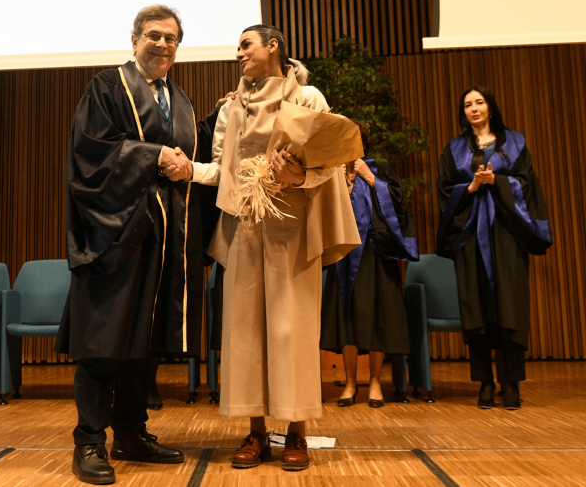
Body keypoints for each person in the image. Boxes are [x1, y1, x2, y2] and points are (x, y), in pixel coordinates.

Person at [181, 24, 359, 471]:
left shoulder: (307, 98)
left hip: (293, 227)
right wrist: (187, 170)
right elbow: (222, 169)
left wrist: (300, 177)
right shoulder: (231, 108)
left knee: (292, 330)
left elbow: (330, 161)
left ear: (272, 46)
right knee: (245, 332)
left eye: (246, 45)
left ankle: (297, 431)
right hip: (246, 227)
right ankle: (256, 431)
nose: (239, 53)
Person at [55, 4, 203, 485]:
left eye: (172, 39)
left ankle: (132, 432)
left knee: (144, 340)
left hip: (163, 238)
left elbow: (188, 160)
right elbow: (89, 154)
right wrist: (155, 155)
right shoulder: (106, 87)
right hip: (114, 233)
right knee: (105, 340)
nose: (163, 45)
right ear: (135, 38)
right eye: (154, 36)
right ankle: (90, 440)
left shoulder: (180, 100)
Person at [437, 86, 551, 410]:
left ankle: (511, 383)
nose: (474, 109)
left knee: (509, 306)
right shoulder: (455, 149)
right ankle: (485, 383)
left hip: (506, 234)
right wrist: (471, 186)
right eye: (468, 105)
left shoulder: (514, 142)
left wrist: (498, 182)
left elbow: (527, 184)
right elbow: (445, 190)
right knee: (478, 308)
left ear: (490, 107)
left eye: (479, 102)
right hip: (470, 235)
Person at [320, 121, 419, 408]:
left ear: (363, 143)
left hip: (376, 254)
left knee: (377, 316)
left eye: (356, 140)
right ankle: (350, 382)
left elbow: (399, 206)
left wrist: (370, 179)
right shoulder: (332, 172)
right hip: (343, 256)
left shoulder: (380, 170)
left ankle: (375, 381)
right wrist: (342, 183)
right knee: (346, 319)